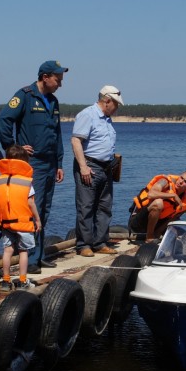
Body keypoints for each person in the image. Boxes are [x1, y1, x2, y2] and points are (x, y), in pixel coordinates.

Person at [0, 60, 68, 274]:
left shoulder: (53, 101)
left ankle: (39, 255)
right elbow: (3, 122)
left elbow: (57, 134)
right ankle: (30, 259)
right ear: (45, 77)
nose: (60, 84)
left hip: (50, 163)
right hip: (32, 163)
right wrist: (13, 148)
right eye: (58, 79)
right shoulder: (25, 96)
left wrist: (60, 163)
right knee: (30, 208)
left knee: (43, 210)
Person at [71, 85, 124, 257]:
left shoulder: (107, 119)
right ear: (107, 101)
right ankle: (84, 244)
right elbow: (76, 141)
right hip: (89, 165)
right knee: (86, 206)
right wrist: (83, 166)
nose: (116, 108)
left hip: (106, 167)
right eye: (115, 104)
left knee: (104, 206)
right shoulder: (88, 115)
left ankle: (100, 242)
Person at [0, 145, 41, 291]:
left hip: (6, 224)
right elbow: (30, 203)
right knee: (23, 252)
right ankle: (22, 281)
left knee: (7, 251)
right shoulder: (26, 182)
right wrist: (38, 220)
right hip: (23, 224)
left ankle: (6, 281)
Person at [128, 171, 186, 248]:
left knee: (181, 217)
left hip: (157, 227)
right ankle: (149, 238)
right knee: (158, 203)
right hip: (138, 224)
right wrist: (173, 195)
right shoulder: (165, 182)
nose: (180, 182)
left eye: (185, 182)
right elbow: (151, 194)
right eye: (181, 178)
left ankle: (157, 236)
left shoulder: (185, 201)